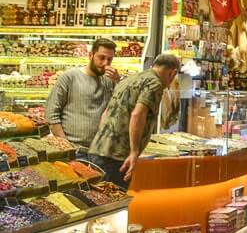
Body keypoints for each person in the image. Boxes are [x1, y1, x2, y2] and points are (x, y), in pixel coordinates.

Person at [88, 53, 180, 189]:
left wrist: (101, 143)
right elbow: (138, 114)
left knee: (97, 200)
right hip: (118, 157)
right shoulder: (155, 83)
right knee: (114, 203)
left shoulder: (128, 80)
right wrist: (134, 152)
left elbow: (106, 113)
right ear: (172, 73)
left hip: (98, 150)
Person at [46, 38, 121, 154]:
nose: (105, 63)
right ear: (90, 55)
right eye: (101, 58)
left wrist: (118, 82)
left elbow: (120, 110)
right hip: (74, 150)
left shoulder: (109, 81)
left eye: (109, 59)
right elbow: (51, 114)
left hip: (101, 151)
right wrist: (65, 145)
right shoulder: (70, 77)